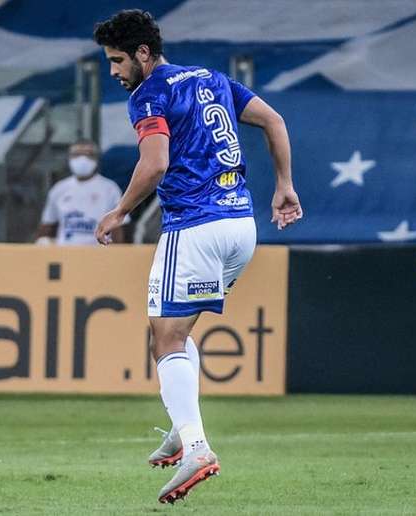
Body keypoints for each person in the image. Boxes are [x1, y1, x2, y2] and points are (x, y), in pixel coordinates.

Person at [92, 9, 302, 504]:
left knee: (166, 338)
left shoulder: (150, 93)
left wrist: (119, 210)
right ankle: (182, 430)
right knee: (174, 332)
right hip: (241, 227)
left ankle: (197, 447)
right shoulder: (213, 79)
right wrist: (285, 187)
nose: (115, 72)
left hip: (196, 226)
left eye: (118, 61)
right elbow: (274, 120)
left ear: (144, 53)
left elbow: (156, 161)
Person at [36, 139, 127, 245]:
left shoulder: (110, 189)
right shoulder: (59, 189)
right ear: (69, 158)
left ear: (96, 159)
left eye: (88, 154)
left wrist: (117, 253)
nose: (82, 159)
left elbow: (118, 227)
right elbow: (47, 226)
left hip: (99, 255)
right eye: (77, 154)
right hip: (66, 254)